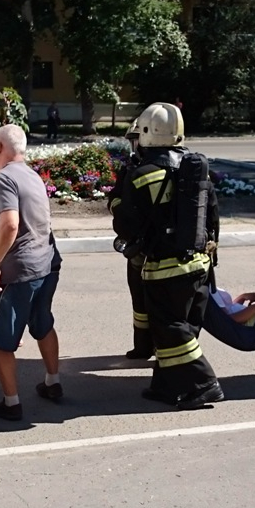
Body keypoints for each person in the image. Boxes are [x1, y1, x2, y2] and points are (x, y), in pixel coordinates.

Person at [111, 102, 223, 410]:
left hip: (165, 268)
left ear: (146, 133)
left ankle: (205, 384)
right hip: (200, 263)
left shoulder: (141, 174)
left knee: (169, 328)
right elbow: (212, 216)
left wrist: (116, 204)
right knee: (181, 327)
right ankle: (165, 385)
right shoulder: (196, 168)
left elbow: (125, 224)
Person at [0, 124, 62, 421]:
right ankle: (53, 383)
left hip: (19, 272)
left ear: (1, 148)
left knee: (1, 341)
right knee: (43, 325)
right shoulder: (32, 176)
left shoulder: (2, 178)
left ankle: (11, 403)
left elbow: (10, 224)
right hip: (46, 265)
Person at [108, 121, 153, 359]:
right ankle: (143, 346)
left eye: (137, 140)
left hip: (155, 249)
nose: (134, 146)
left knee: (156, 301)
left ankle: (159, 347)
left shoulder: (157, 171)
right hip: (137, 247)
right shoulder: (130, 170)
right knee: (139, 300)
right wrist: (120, 209)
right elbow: (115, 198)